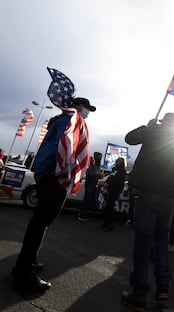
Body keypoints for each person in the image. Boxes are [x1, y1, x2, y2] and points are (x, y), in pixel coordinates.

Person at [11, 96, 95, 292]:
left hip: (46, 174)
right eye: (86, 108)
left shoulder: (60, 119)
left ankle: (26, 264)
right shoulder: (70, 119)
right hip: (54, 176)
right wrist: (63, 173)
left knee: (39, 223)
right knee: (40, 224)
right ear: (77, 106)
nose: (87, 113)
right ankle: (24, 274)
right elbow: (64, 150)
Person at [120, 112, 174, 311]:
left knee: (143, 242)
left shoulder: (154, 130)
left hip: (150, 193)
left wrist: (148, 126)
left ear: (163, 121)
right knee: (161, 242)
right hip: (168, 198)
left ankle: (139, 294)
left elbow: (129, 138)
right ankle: (163, 286)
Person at [99, 156, 126, 231]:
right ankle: (106, 224)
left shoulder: (120, 171)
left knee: (109, 208)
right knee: (108, 207)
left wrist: (107, 184)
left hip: (114, 190)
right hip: (112, 190)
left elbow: (115, 180)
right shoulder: (118, 170)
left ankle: (109, 225)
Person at [78, 152, 104, 221]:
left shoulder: (98, 165)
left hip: (93, 184)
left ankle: (84, 212)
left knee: (88, 199)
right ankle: (82, 214)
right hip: (89, 184)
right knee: (86, 199)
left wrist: (100, 175)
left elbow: (98, 175)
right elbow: (89, 173)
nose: (100, 158)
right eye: (99, 157)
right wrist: (97, 174)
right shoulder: (92, 164)